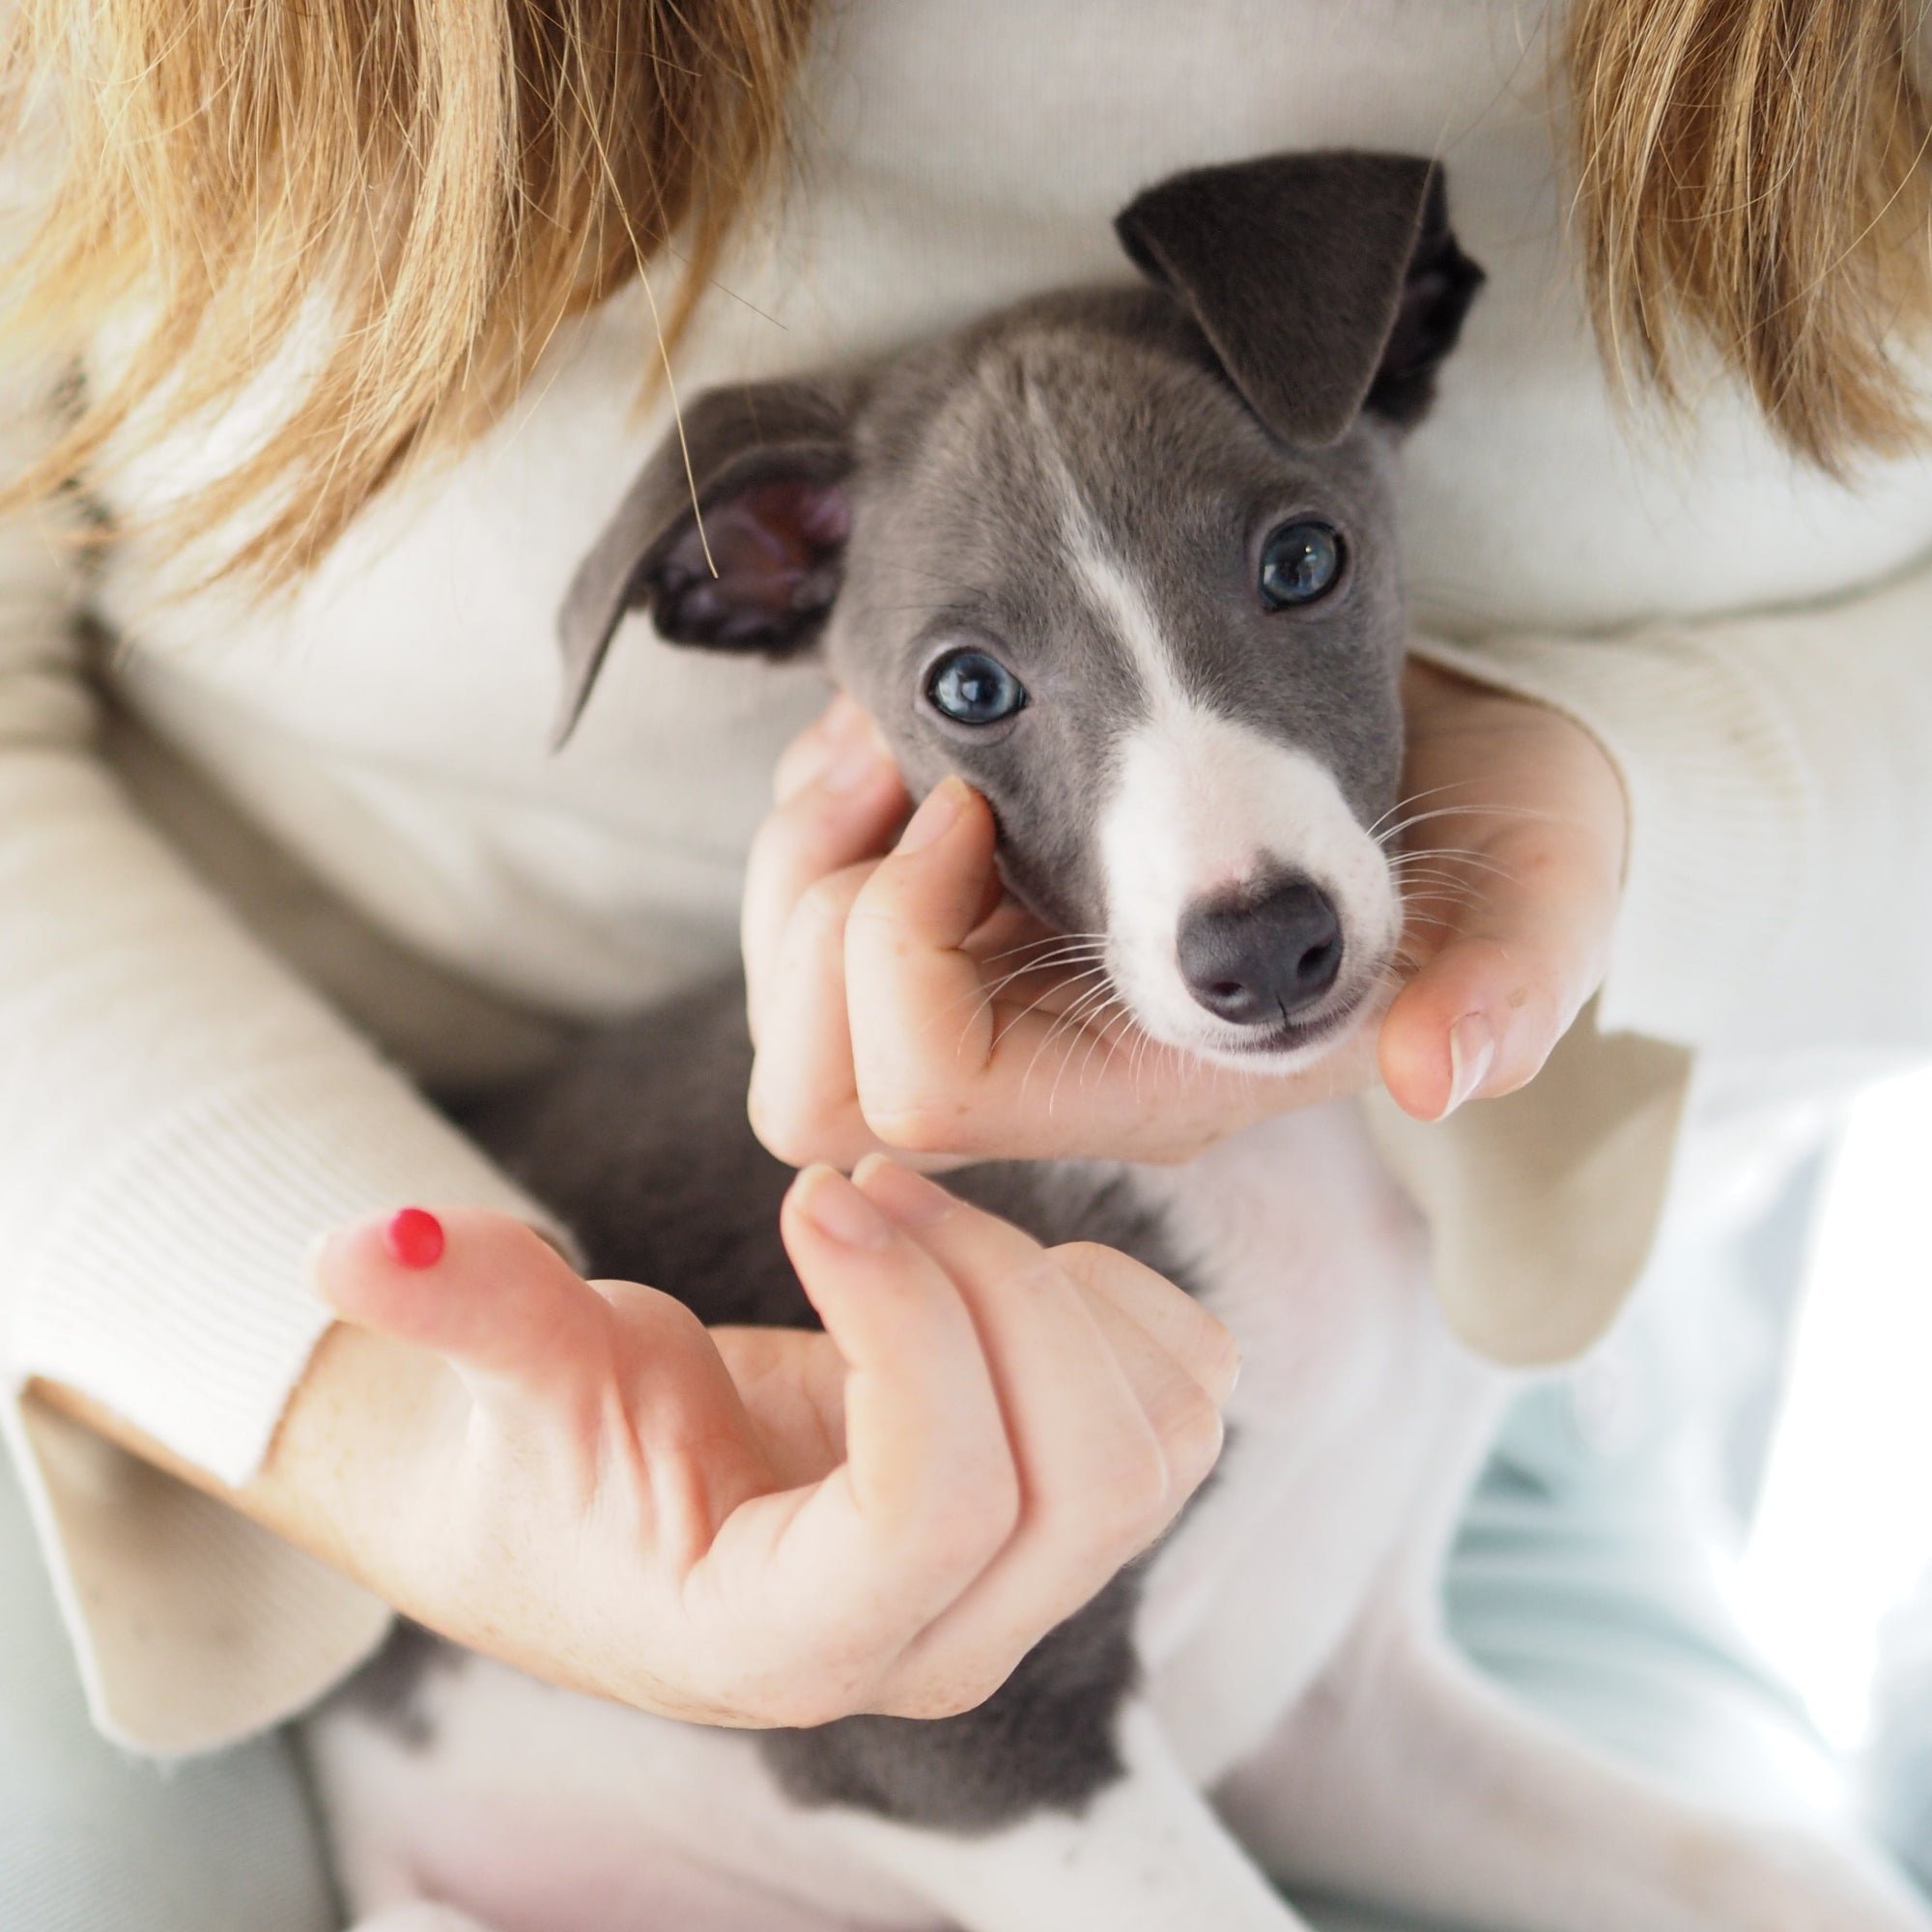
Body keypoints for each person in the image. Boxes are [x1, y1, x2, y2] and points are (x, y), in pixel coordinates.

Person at [0, 1, 1928, 1925]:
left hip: (1516, 1336)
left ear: (1399, 317)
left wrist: (1627, 807)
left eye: (1292, 569)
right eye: (979, 694)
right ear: (747, 575)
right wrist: (425, 1456)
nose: (1235, 884)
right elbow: (981, 1746)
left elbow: (1313, 1707)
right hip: (201, 1424)